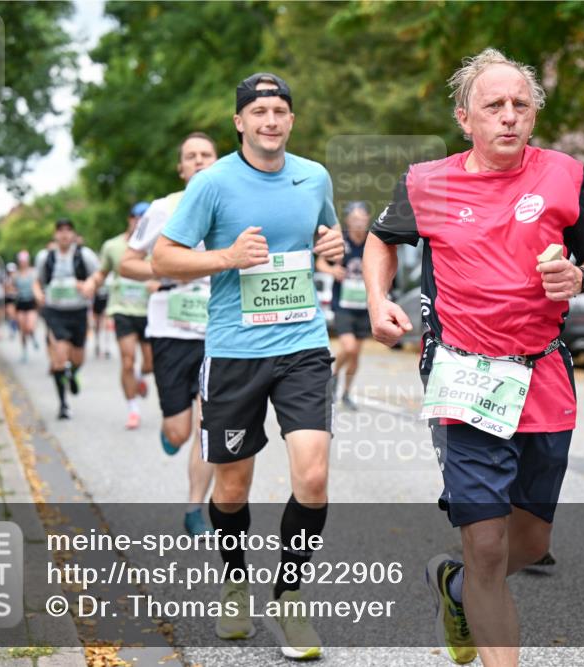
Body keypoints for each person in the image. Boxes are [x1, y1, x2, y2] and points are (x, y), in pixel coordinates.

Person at [363, 48, 584, 666]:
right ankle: (474, 588)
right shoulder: (426, 181)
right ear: (464, 117)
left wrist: (580, 281)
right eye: (494, 106)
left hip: (544, 375)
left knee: (526, 544)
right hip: (462, 377)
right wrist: (377, 301)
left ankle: (450, 585)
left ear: (533, 117)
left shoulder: (564, 174)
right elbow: (379, 240)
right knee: (486, 549)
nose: (508, 117)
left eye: (520, 106)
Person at [152, 73, 344, 660]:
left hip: (303, 345)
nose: (270, 120)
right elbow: (164, 255)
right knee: (233, 488)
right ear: (239, 121)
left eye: (280, 110)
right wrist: (227, 258)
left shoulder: (314, 176)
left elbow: (326, 233)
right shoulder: (212, 184)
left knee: (311, 477)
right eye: (258, 110)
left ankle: (288, 598)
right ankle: (235, 579)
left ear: (291, 119)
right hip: (235, 352)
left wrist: (332, 248)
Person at [120, 132, 219, 535]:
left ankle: (195, 510)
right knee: (179, 430)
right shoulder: (163, 209)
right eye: (190, 156)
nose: (198, 161)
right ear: (181, 168)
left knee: (208, 425)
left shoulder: (235, 206)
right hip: (170, 332)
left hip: (220, 331)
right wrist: (168, 269)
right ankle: (169, 431)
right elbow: (128, 263)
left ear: (218, 161)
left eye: (205, 155)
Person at [85, 203, 155, 429]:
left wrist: (158, 283)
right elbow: (101, 272)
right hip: (122, 310)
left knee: (150, 363)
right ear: (129, 219)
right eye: (136, 217)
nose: (139, 222)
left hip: (150, 312)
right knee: (127, 361)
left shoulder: (157, 246)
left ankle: (139, 377)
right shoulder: (113, 246)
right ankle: (133, 409)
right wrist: (91, 283)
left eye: (145, 219)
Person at [33, 219, 100, 419]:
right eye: (60, 231)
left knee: (78, 359)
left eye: (68, 231)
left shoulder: (84, 255)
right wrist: (38, 294)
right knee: (60, 357)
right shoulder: (46, 257)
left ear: (73, 234)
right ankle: (63, 404)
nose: (64, 234)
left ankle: (73, 373)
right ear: (55, 235)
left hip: (78, 312)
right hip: (55, 312)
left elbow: (98, 277)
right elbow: (38, 282)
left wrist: (87, 286)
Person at [316, 201, 372, 410]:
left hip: (365, 305)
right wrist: (332, 271)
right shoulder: (342, 241)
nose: (358, 222)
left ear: (367, 219)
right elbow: (320, 262)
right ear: (347, 220)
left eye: (361, 218)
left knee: (356, 353)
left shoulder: (373, 242)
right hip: (343, 304)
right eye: (353, 218)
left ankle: (346, 393)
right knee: (347, 347)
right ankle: (333, 375)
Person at [13, 250, 40, 362]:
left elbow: (37, 286)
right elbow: (11, 288)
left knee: (29, 326)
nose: (23, 263)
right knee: (23, 330)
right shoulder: (15, 275)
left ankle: (33, 336)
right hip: (20, 303)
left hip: (31, 302)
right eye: (21, 261)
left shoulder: (33, 273)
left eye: (25, 261)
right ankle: (24, 352)